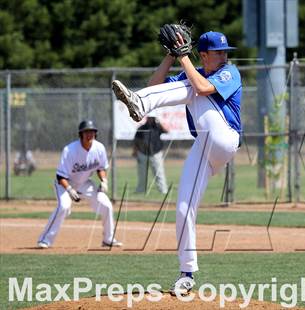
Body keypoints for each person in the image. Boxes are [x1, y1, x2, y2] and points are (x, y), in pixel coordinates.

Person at [112, 31, 241, 294]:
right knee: (183, 208)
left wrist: (184, 58)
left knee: (194, 89)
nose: (225, 55)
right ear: (203, 55)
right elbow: (156, 83)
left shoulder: (231, 72)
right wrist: (171, 56)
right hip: (203, 148)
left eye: (225, 51)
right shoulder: (188, 74)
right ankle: (187, 273)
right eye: (219, 51)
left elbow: (204, 87)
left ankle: (141, 102)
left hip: (224, 137)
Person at [37, 120, 123, 249]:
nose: (90, 135)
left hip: (84, 183)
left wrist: (104, 181)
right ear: (81, 134)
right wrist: (70, 190)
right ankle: (45, 240)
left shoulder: (99, 148)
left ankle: (108, 239)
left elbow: (101, 168)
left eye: (92, 132)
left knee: (107, 205)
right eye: (86, 132)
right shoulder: (70, 150)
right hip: (64, 184)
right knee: (64, 207)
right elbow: (60, 176)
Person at [133, 111, 169, 194]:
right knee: (142, 174)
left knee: (159, 173)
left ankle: (163, 190)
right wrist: (135, 151)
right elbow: (136, 141)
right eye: (149, 118)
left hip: (156, 153)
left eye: (152, 118)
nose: (150, 119)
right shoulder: (141, 128)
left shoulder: (158, 127)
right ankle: (140, 191)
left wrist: (159, 123)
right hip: (143, 153)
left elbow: (167, 131)